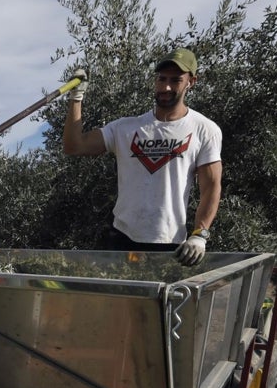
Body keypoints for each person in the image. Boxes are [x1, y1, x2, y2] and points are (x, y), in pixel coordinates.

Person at [63, 48, 222, 267]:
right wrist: (76, 98)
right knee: (117, 301)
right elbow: (74, 146)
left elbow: (211, 187)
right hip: (121, 239)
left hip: (170, 243)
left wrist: (199, 234)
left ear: (191, 82)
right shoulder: (125, 128)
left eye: (175, 80)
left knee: (161, 302)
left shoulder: (204, 129)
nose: (166, 87)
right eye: (161, 79)